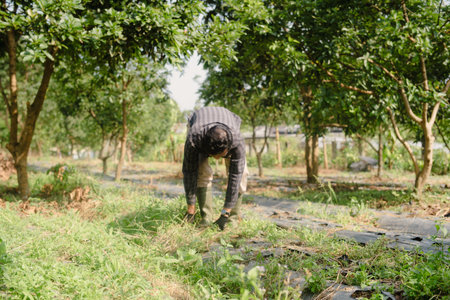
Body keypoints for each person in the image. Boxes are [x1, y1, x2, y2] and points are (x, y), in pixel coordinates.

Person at [182, 106, 248, 230]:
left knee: (242, 174)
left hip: (230, 124)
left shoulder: (237, 141)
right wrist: (190, 209)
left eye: (221, 155)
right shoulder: (194, 139)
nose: (217, 159)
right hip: (199, 125)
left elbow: (236, 175)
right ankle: (206, 218)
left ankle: (232, 219)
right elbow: (189, 171)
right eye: (213, 156)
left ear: (229, 148)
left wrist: (225, 212)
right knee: (202, 171)